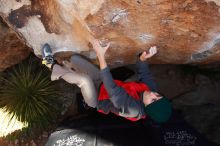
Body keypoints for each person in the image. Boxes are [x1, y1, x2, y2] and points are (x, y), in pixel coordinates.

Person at [41, 39, 172, 123]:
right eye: (158, 95)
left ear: (147, 108)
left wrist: (100, 55)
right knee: (75, 59)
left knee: (84, 80)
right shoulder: (151, 90)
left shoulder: (133, 110)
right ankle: (67, 68)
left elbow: (113, 91)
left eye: (153, 100)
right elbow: (145, 73)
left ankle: (51, 65)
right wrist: (143, 59)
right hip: (103, 84)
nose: (153, 94)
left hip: (97, 99)